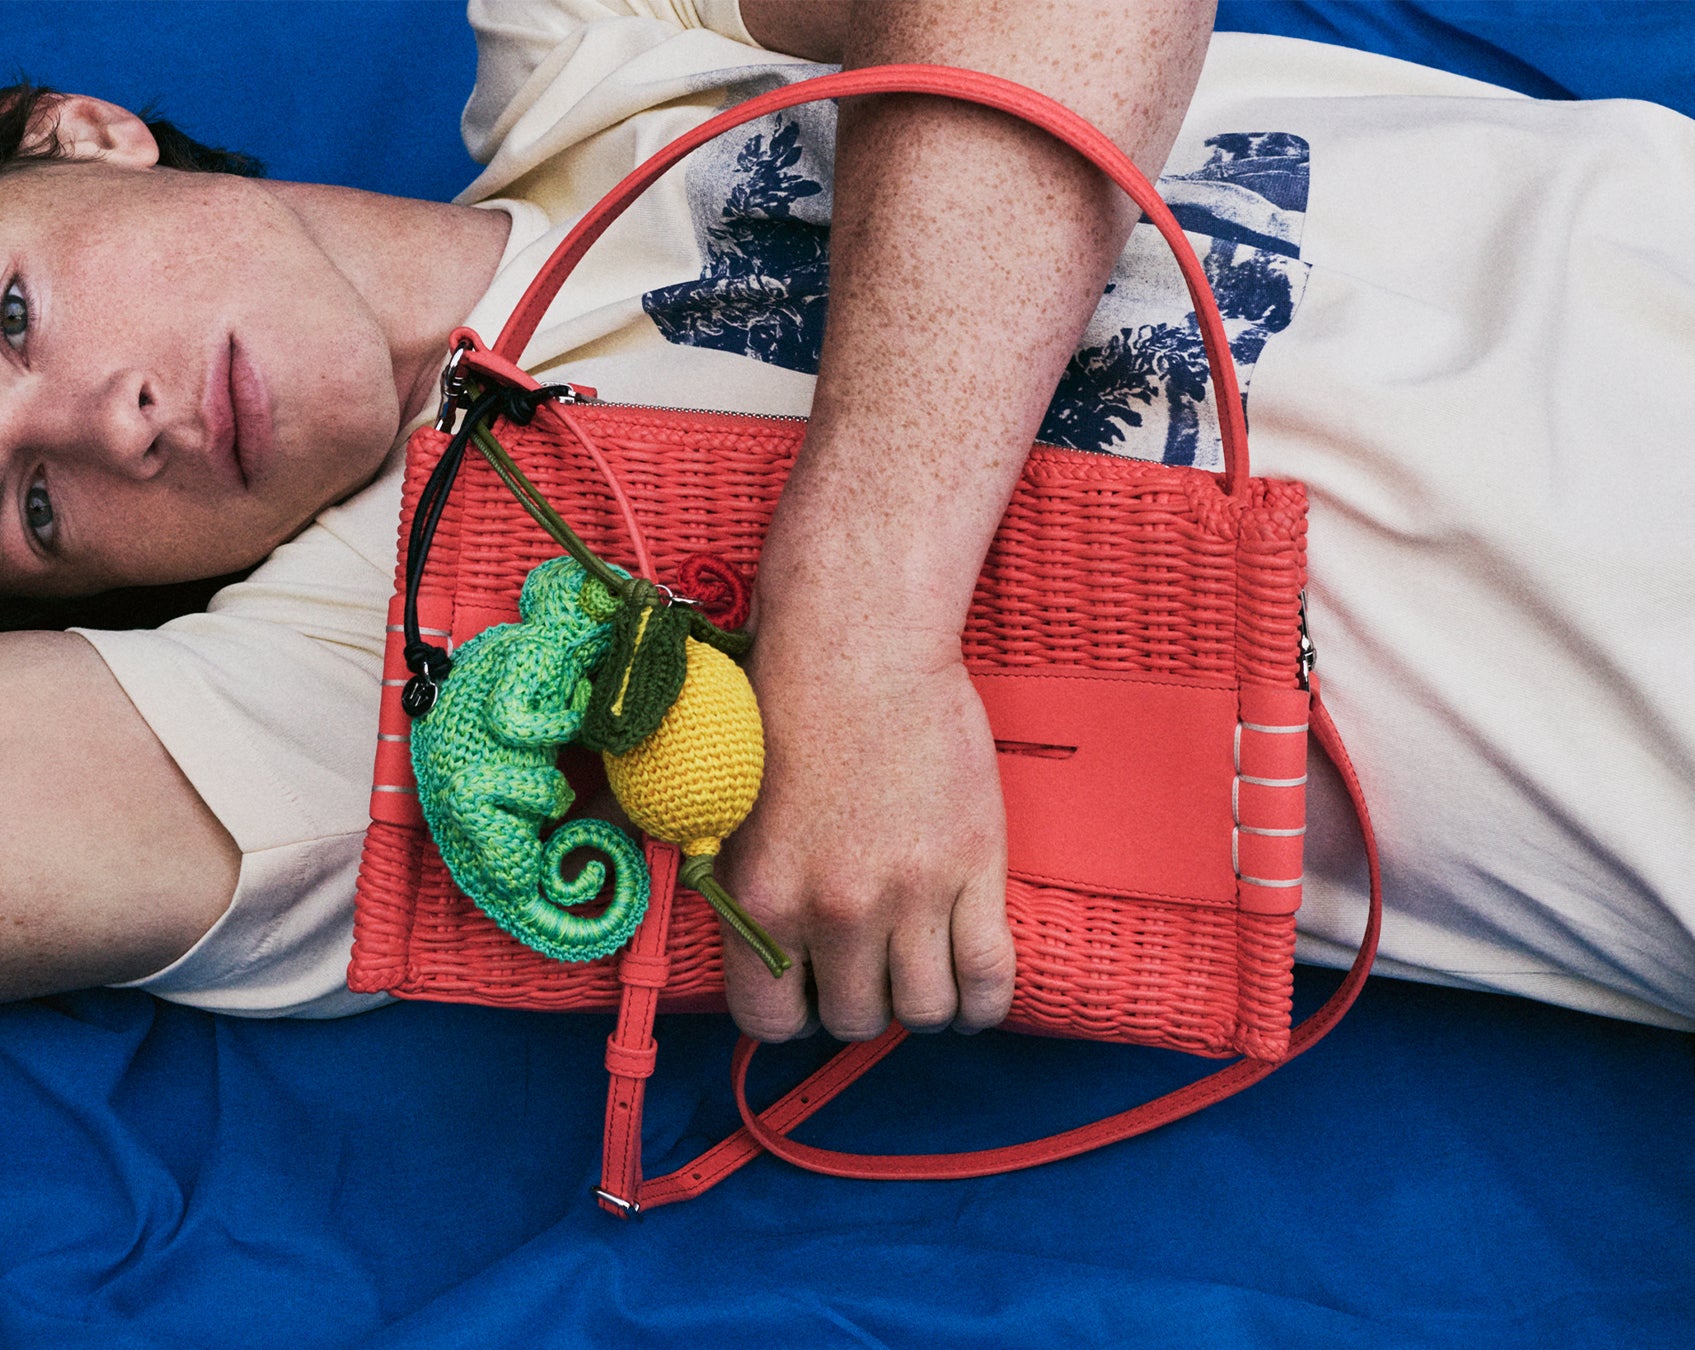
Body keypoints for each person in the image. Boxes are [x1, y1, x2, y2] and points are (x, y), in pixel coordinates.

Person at [3, 0, 1692, 1035]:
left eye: (12, 315)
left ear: (88, 138)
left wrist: (860, 623)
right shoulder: (346, 691)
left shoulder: (589, 43)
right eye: (30, 503)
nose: (105, 426)